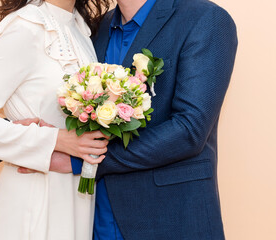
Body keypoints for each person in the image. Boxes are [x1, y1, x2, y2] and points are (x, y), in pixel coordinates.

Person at [18, 0, 238, 239]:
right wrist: (38, 135)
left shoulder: (206, 19)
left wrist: (80, 162)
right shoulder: (94, 28)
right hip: (94, 216)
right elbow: (82, 109)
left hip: (170, 218)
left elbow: (189, 131)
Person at [0, 0, 111, 239]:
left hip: (77, 197)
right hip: (34, 197)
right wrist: (57, 139)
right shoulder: (27, 27)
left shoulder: (81, 29)